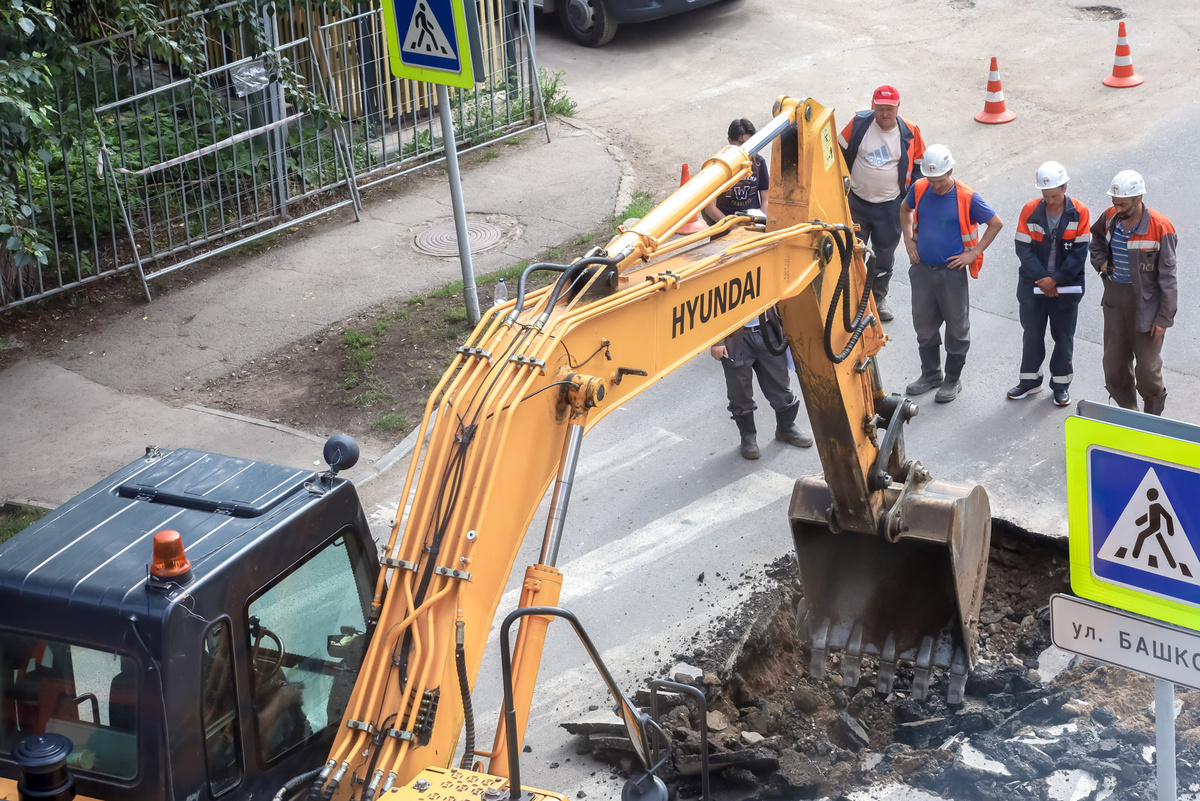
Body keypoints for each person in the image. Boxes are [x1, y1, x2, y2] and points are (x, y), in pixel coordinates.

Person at [899, 144, 1004, 403]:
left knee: (957, 328)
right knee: (923, 325)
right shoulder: (921, 187)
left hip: (951, 274)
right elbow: (905, 209)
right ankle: (931, 374)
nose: (935, 185)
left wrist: (973, 253)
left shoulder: (967, 196)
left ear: (951, 171)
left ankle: (952, 380)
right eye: (931, 180)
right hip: (923, 271)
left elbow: (995, 223)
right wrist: (909, 241)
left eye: (940, 180)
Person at [1088, 170, 1177, 416]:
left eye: (1123, 204)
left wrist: (1163, 318)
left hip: (1147, 307)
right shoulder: (1109, 217)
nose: (1117, 209)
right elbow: (1095, 240)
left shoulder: (1160, 227)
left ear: (1138, 198)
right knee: (1114, 368)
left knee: (1148, 373)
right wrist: (1101, 262)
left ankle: (1151, 420)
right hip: (1115, 301)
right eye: (1114, 203)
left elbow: (1168, 277)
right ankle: (1130, 414)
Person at [838, 84, 926, 323]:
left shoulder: (910, 131)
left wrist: (910, 198)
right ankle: (850, 298)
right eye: (880, 108)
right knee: (851, 252)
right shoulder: (858, 124)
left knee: (884, 256)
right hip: (856, 203)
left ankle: (878, 299)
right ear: (872, 106)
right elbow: (836, 153)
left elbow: (920, 166)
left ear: (898, 108)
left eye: (890, 109)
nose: (885, 114)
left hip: (890, 208)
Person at [1008, 161, 1091, 407]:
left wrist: (1055, 280)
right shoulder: (1030, 210)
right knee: (1032, 334)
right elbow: (1023, 249)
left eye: (1055, 195)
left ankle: (1061, 384)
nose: (1051, 201)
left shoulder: (1080, 212)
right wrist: (1044, 280)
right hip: (1033, 286)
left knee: (1063, 337)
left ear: (1065, 188)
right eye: (1046, 196)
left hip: (1065, 287)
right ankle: (1030, 381)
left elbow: (1079, 253)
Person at [709, 309, 813, 459]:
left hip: (767, 329)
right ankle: (748, 437)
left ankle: (786, 428)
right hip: (734, 336)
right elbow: (710, 301)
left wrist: (787, 322)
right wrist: (716, 341)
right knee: (740, 390)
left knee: (780, 382)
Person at [703, 118, 768, 226]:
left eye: (750, 142)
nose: (746, 148)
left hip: (752, 225)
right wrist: (732, 227)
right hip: (724, 227)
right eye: (740, 143)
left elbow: (766, 198)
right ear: (729, 140)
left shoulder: (758, 162)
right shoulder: (718, 167)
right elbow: (710, 208)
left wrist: (760, 222)